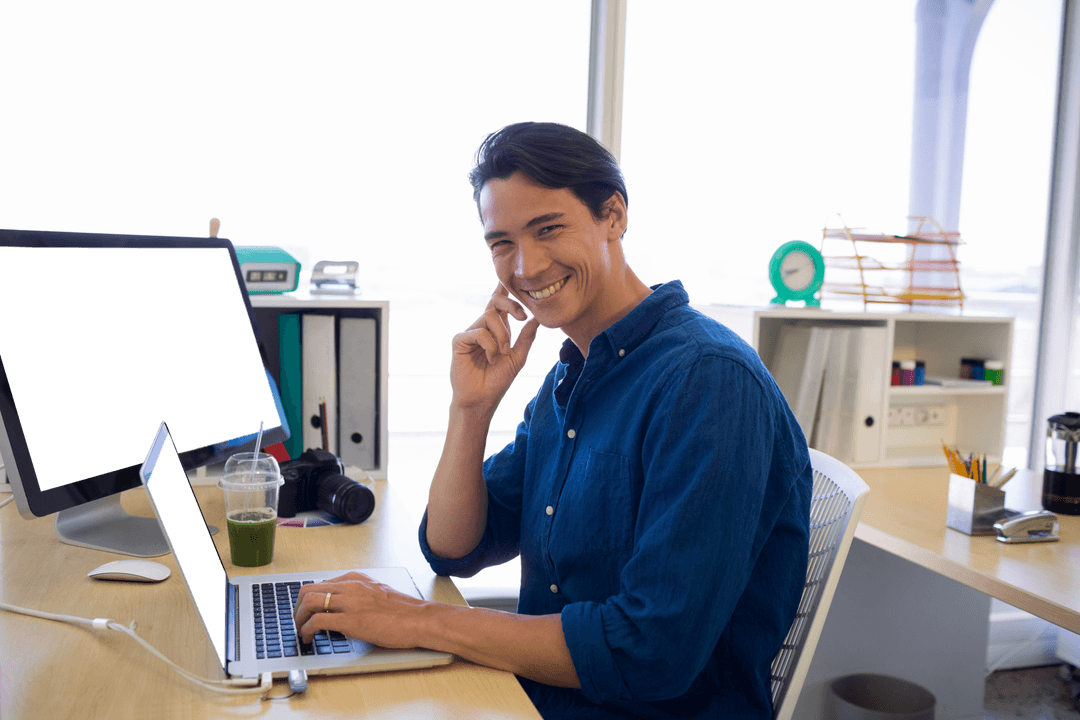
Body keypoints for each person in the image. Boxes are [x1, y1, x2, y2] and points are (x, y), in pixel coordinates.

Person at [294, 121, 813, 719]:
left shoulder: (708, 381)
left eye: (548, 230)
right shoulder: (571, 379)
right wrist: (471, 409)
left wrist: (417, 621)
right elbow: (453, 547)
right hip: (539, 699)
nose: (527, 265)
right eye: (501, 243)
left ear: (613, 216)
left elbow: (649, 652)